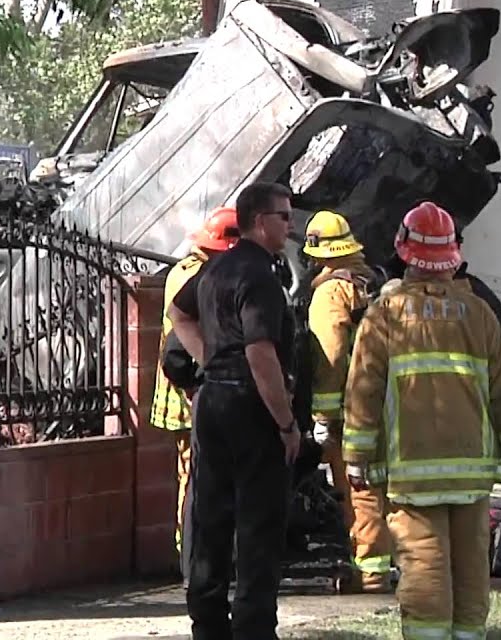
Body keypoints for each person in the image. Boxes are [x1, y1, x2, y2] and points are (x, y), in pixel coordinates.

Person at [341, 201, 501, 640]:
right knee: (469, 573)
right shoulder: (479, 314)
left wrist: (355, 457)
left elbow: (363, 390)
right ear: (451, 255)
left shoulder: (385, 316)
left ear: (404, 253)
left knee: (425, 567)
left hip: (412, 475)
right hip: (471, 473)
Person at [168, 181, 300, 640]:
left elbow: (177, 312)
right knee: (259, 523)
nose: (290, 225)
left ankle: (207, 623)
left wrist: (211, 359)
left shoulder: (216, 269)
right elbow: (261, 352)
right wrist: (285, 423)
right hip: (250, 403)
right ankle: (253, 627)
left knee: (211, 515)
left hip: (212, 401)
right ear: (260, 222)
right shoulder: (260, 275)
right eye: (284, 216)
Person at [301, 210, 392, 593]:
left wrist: (323, 415)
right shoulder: (376, 279)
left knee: (361, 490)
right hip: (389, 402)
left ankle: (370, 574)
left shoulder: (330, 294)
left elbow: (331, 354)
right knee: (389, 488)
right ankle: (393, 563)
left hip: (350, 411)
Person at [151, 206, 241, 577]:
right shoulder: (197, 277)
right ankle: (189, 555)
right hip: (188, 392)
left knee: (198, 476)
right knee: (194, 477)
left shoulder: (186, 271)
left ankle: (196, 554)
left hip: (189, 386)